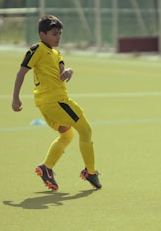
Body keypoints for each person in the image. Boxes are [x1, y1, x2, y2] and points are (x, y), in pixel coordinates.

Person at [12, 15, 101, 191]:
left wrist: (69, 71)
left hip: (48, 103)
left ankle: (46, 167)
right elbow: (21, 73)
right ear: (42, 34)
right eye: (54, 34)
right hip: (56, 101)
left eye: (59, 33)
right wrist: (15, 98)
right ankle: (90, 172)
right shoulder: (37, 48)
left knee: (67, 135)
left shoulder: (56, 53)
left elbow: (62, 72)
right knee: (86, 130)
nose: (58, 37)